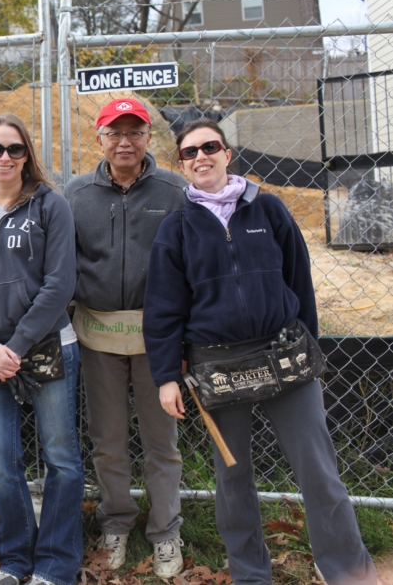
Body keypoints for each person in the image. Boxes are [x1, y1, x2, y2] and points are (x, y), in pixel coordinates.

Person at [143, 118, 378, 585]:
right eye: (189, 152)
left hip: (282, 356)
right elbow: (164, 307)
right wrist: (167, 375)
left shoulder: (269, 210)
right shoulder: (177, 228)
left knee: (319, 473)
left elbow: (300, 284)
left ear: (228, 153)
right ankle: (252, 576)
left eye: (210, 146)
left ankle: (349, 573)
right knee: (233, 482)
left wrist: (308, 350)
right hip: (217, 367)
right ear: (181, 165)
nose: (201, 156)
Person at [0, 114, 82, 585]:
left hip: (47, 346)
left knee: (60, 458)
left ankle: (56, 564)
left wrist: (17, 345)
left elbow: (59, 283)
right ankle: (15, 560)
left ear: (27, 155)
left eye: (15, 149)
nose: (5, 158)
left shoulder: (51, 206)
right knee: (1, 463)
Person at [61, 98, 186, 577]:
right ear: (99, 139)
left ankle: (166, 532)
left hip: (157, 341)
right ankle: (116, 522)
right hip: (97, 336)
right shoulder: (76, 194)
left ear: (148, 138)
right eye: (115, 133)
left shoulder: (174, 191)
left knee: (161, 442)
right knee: (108, 439)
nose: (125, 141)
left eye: (134, 132)